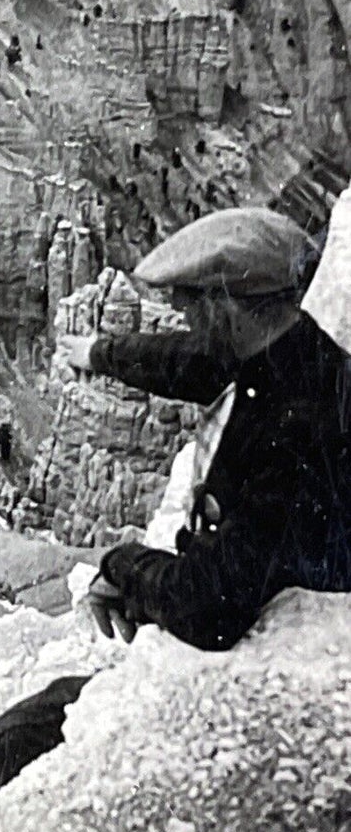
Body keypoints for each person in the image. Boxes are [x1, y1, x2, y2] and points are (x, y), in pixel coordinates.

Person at [69, 206, 350, 652]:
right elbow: (189, 360)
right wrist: (101, 354)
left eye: (192, 302)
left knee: (28, 724)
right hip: (272, 599)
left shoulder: (292, 430)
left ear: (226, 306)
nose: (182, 314)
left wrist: (125, 567)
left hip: (292, 645)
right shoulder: (293, 351)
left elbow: (211, 610)